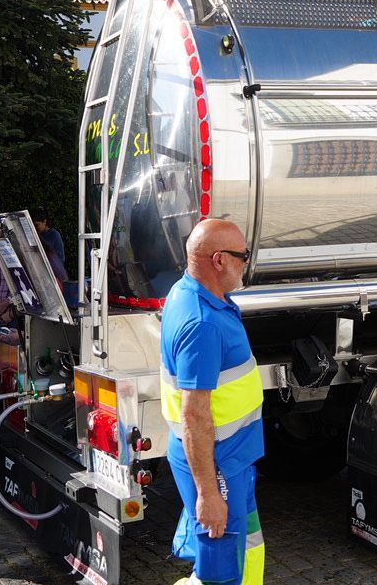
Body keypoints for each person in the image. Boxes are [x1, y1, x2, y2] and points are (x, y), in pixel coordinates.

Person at [160, 218, 265, 585]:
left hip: (230, 461)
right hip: (219, 466)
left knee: (247, 546)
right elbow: (194, 416)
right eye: (243, 256)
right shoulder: (202, 324)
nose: (246, 264)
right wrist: (207, 493)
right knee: (220, 572)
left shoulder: (190, 294)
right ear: (219, 260)